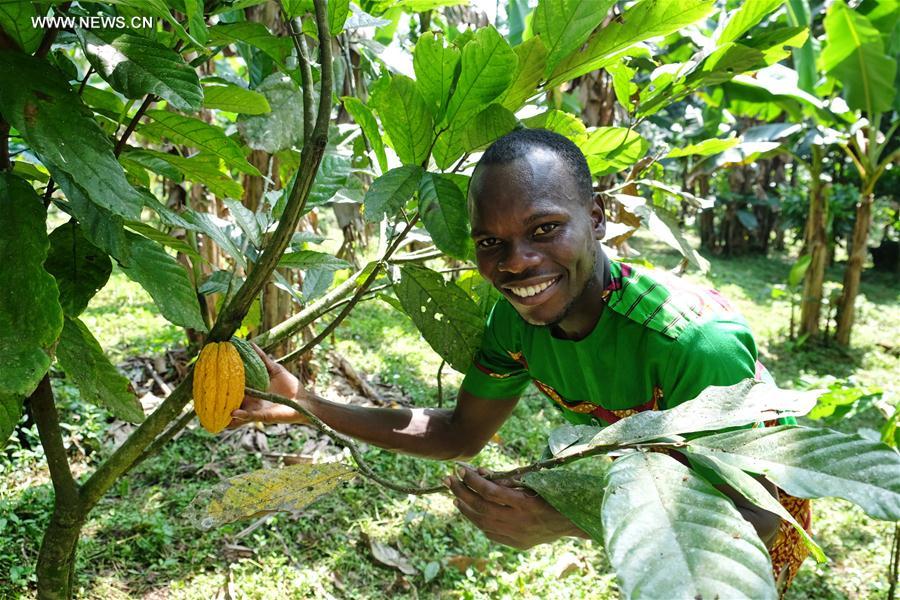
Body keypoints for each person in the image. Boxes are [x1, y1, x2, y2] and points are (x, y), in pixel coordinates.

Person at [230, 129, 810, 588]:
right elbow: (458, 433)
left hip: (755, 514)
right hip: (655, 490)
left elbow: (755, 518)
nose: (515, 262)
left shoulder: (692, 342)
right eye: (491, 242)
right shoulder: (515, 320)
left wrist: (564, 518)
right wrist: (303, 404)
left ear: (597, 217)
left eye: (545, 228)